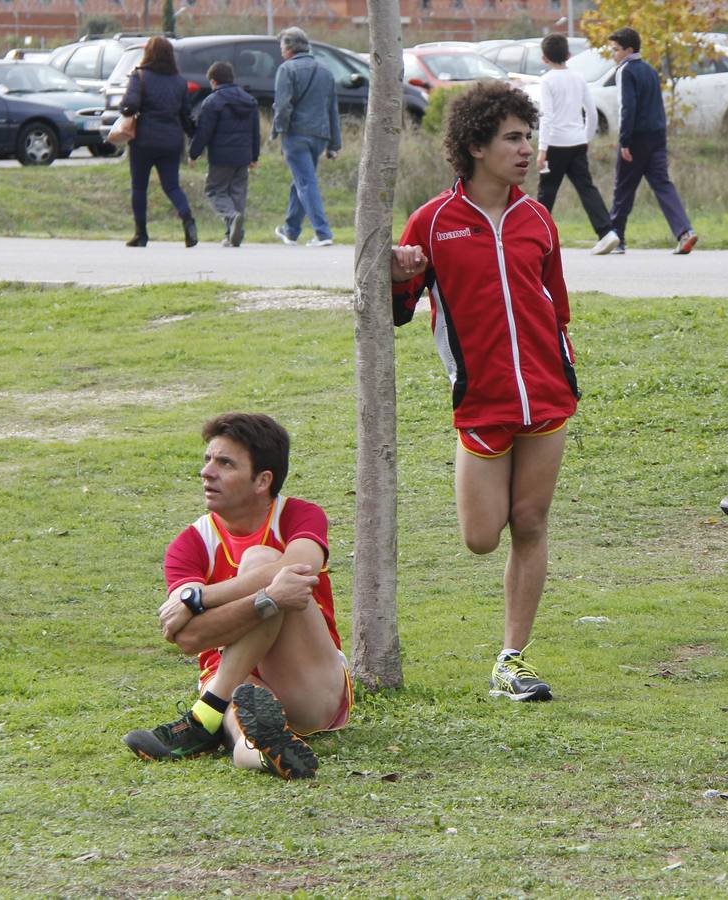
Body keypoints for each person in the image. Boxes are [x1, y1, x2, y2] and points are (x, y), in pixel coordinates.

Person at [389, 81, 579, 703]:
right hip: (481, 403)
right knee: (481, 536)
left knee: (531, 520)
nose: (527, 149)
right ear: (475, 145)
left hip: (547, 395)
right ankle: (508, 650)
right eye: (513, 138)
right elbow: (396, 309)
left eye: (530, 137)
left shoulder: (537, 218)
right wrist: (396, 273)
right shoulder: (433, 221)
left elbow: (556, 308)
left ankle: (512, 658)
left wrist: (560, 367)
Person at [123, 413, 354, 780]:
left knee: (264, 561)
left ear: (263, 480)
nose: (207, 472)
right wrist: (263, 599)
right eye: (207, 460)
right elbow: (189, 638)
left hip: (310, 687)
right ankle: (264, 753)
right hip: (234, 684)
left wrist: (196, 600)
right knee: (240, 714)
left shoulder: (299, 516)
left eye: (225, 463)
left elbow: (298, 569)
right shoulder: (189, 545)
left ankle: (204, 716)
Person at [600, 26, 697, 257]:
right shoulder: (650, 70)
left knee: (623, 187)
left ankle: (618, 238)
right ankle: (684, 231)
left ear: (628, 50)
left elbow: (628, 107)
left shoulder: (625, 70)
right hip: (657, 135)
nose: (613, 54)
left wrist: (624, 141)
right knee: (663, 184)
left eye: (616, 49)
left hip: (636, 138)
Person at [534, 33, 618, 256]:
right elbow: (590, 112)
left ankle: (536, 237)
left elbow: (547, 117)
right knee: (586, 187)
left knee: (547, 192)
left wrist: (542, 150)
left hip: (555, 144)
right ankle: (607, 232)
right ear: (569, 56)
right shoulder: (579, 78)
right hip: (577, 142)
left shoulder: (547, 80)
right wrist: (586, 137)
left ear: (544, 59)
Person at [120, 36, 197, 248]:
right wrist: (194, 138)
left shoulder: (140, 76)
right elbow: (186, 116)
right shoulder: (180, 82)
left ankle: (141, 234)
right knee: (172, 186)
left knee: (139, 187)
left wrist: (124, 106)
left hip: (144, 140)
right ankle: (187, 218)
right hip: (172, 141)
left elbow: (130, 105)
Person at [271, 27, 340, 248]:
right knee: (301, 181)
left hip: (296, 135)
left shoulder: (286, 69)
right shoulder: (325, 71)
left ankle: (322, 232)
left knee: (306, 183)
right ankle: (291, 231)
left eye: (282, 45)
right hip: (319, 136)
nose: (281, 50)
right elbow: (332, 110)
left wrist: (279, 131)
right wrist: (334, 144)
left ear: (290, 47)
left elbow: (282, 106)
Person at [188, 61, 261, 247]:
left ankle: (230, 218)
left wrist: (194, 153)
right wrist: (254, 156)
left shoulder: (212, 102)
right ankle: (233, 235)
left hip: (220, 156)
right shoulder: (249, 100)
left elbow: (204, 132)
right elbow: (255, 131)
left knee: (214, 190)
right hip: (243, 156)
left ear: (214, 81)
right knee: (237, 192)